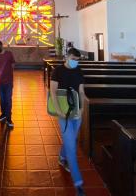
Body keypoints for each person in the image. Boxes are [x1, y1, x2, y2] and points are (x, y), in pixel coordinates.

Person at [49, 47, 86, 196]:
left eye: (77, 60)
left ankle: (61, 157)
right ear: (67, 57)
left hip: (77, 112)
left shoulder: (79, 71)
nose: (75, 62)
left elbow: (82, 91)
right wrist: (58, 111)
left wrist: (82, 109)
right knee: (72, 147)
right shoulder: (57, 71)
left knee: (71, 139)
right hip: (63, 112)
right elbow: (53, 91)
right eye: (73, 59)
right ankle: (78, 184)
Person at [0, 40, 15, 128]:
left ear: (2, 46)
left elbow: (13, 65)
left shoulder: (9, 54)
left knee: (8, 100)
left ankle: (9, 118)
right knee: (2, 99)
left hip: (8, 81)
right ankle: (3, 114)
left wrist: (8, 72)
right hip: (0, 81)